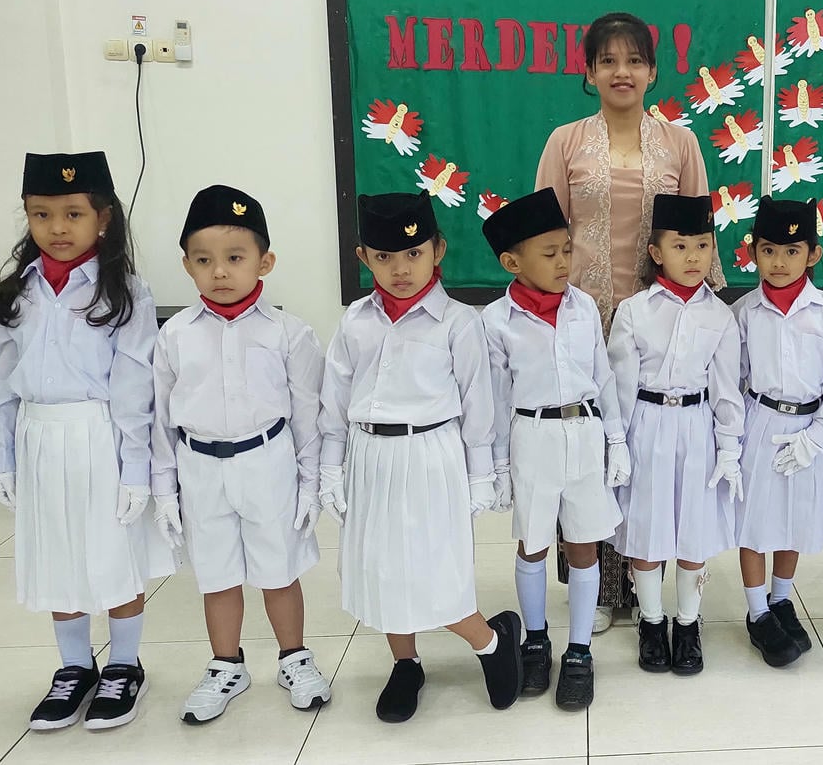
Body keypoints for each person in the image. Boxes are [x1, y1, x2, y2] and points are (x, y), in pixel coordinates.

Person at [535, 11, 718, 626]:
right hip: (581, 320)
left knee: (648, 449)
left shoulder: (679, 144)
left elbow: (699, 233)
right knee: (588, 450)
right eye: (608, 60)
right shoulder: (565, 142)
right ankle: (596, 588)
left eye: (634, 60)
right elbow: (544, 236)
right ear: (589, 71)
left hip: (658, 320)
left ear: (653, 71)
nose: (622, 71)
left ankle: (646, 585)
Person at [0, 151, 174, 731]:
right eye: (42, 214)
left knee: (113, 555)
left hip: (99, 435)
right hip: (38, 435)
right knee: (57, 555)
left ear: (104, 218)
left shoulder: (125, 293)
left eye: (73, 213)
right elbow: (2, 380)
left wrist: (136, 470)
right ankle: (74, 667)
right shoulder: (17, 293)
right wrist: (3, 457)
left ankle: (123, 665)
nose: (58, 228)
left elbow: (135, 386)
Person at [318, 191, 523, 722]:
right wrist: (330, 467)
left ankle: (490, 642)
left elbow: (478, 401)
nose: (401, 269)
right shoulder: (355, 321)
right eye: (384, 257)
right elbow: (334, 400)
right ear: (363, 257)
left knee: (436, 570)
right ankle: (406, 663)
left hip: (432, 453)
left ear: (438, 250)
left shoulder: (457, 322)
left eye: (413, 253)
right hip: (370, 455)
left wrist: (483, 474)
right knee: (384, 569)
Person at [150, 185, 332, 723]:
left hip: (267, 461)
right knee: (217, 573)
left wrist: (311, 484)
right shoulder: (175, 335)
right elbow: (160, 418)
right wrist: (163, 490)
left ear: (264, 262)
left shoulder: (288, 333)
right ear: (187, 265)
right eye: (204, 260)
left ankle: (294, 658)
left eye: (235, 258)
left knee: (279, 569)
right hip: (200, 466)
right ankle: (226, 665)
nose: (220, 272)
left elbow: (308, 414)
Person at [480, 187, 628, 711]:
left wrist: (616, 439)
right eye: (549, 254)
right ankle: (537, 639)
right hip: (532, 437)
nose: (564, 262)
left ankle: (580, 649)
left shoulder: (583, 307)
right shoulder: (496, 321)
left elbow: (603, 377)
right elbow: (496, 399)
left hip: (583, 434)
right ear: (512, 262)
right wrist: (497, 465)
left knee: (584, 543)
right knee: (534, 543)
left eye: (567, 249)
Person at [607, 193, 743, 675]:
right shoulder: (634, 311)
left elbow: (727, 389)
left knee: (692, 533)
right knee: (646, 531)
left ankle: (687, 624)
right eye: (680, 246)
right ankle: (650, 622)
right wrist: (616, 443)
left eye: (703, 245)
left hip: (697, 427)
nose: (693, 257)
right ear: (656, 252)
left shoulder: (720, 316)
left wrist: (730, 447)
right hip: (647, 424)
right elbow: (619, 384)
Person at [733, 198, 823, 668]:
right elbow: (734, 377)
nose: (779, 262)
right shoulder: (744, 312)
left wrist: (816, 439)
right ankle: (757, 612)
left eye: (792, 251)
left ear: (813, 254)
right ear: (753, 253)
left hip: (809, 425)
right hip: (759, 422)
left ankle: (781, 599)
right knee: (754, 519)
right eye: (768, 250)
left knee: (795, 517)